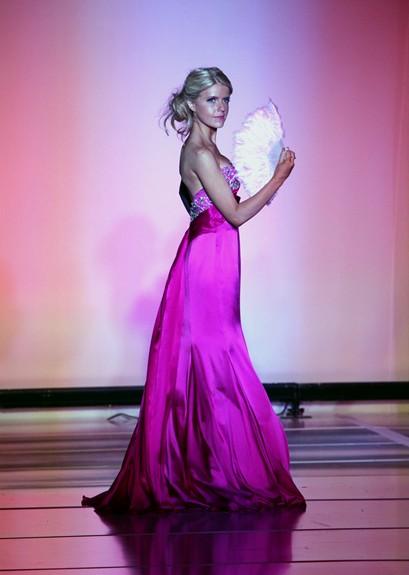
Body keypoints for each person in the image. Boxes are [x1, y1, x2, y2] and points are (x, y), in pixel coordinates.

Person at [82, 67, 305, 513]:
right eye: (212, 100)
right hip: (207, 262)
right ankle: (215, 469)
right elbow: (235, 215)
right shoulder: (200, 152)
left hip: (217, 255)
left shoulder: (211, 148)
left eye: (226, 99)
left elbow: (226, 211)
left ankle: (211, 465)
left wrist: (268, 182)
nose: (221, 108)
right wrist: (279, 178)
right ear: (192, 104)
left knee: (215, 358)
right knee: (217, 356)